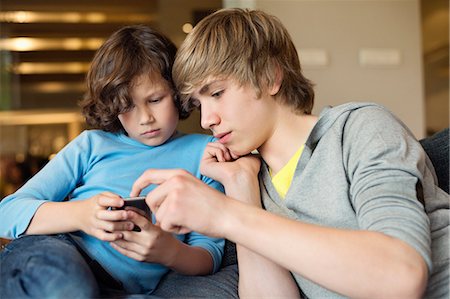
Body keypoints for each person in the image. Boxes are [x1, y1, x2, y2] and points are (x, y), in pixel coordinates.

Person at [130, 8, 449, 299]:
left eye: (217, 93)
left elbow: (401, 276)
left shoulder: (361, 128)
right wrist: (241, 189)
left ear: (269, 76)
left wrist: (225, 215)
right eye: (200, 104)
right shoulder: (256, 182)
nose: (206, 120)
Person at [0, 25, 224, 298]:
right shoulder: (91, 144)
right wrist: (82, 215)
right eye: (126, 106)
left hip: (124, 289)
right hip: (61, 253)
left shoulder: (207, 154)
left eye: (155, 99)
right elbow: (7, 212)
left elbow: (210, 254)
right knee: (68, 289)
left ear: (177, 93)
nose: (145, 118)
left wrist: (171, 252)